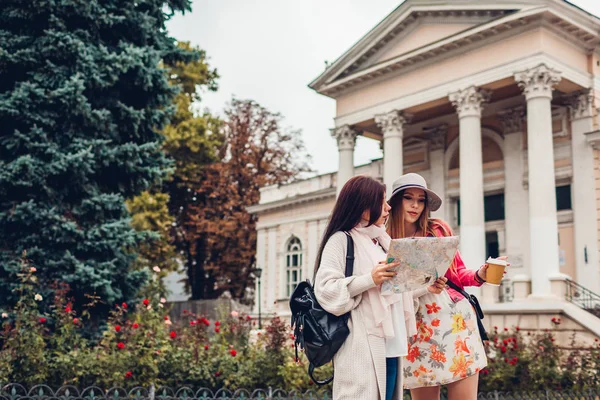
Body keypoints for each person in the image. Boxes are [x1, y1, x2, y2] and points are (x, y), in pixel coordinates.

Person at [314, 175, 446, 400]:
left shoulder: (381, 242)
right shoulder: (341, 240)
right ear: (364, 206)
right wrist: (370, 279)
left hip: (391, 343)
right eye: (381, 201)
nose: (387, 208)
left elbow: (391, 291)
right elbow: (325, 290)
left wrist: (427, 286)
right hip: (361, 346)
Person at [387, 173, 507, 400]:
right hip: (415, 328)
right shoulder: (384, 239)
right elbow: (387, 290)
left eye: (421, 200)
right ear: (395, 202)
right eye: (408, 198)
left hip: (455, 321)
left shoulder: (437, 229)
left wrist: (481, 273)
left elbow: (458, 274)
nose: (415, 205)